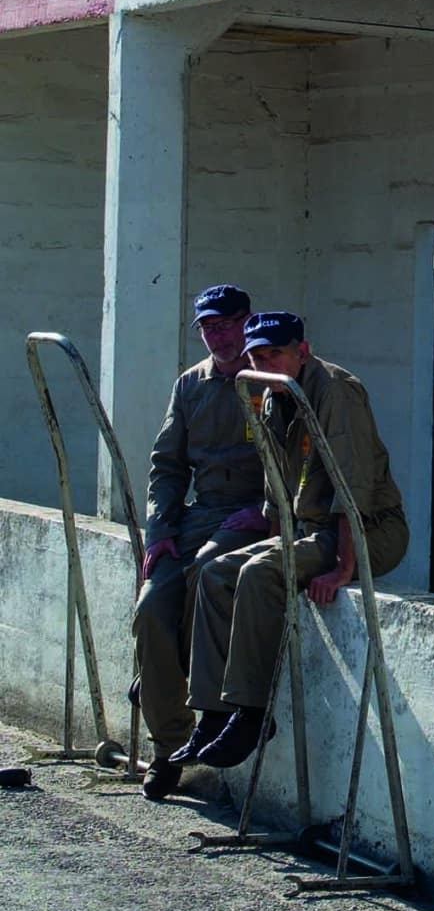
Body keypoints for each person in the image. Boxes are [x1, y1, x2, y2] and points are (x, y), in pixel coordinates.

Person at [172, 311, 409, 773]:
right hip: (309, 529)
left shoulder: (334, 391)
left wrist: (343, 566)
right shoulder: (269, 394)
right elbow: (276, 489)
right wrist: (275, 542)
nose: (264, 364)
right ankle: (212, 711)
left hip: (368, 530)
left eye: (274, 354)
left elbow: (351, 487)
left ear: (302, 351)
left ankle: (252, 713)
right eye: (256, 357)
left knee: (260, 574)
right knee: (215, 572)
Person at [133, 283, 269, 801]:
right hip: (200, 512)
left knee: (206, 572)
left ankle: (188, 700)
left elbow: (301, 461)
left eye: (227, 324)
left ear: (247, 322)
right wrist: (159, 531)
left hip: (255, 513)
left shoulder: (269, 379)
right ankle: (168, 746)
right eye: (209, 327)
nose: (218, 336)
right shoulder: (191, 384)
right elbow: (166, 466)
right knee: (151, 607)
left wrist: (271, 512)